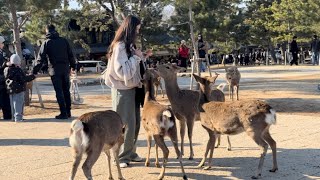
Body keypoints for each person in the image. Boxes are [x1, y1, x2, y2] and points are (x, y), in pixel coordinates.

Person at [104, 15, 152, 168]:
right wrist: (137, 58)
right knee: (123, 124)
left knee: (135, 123)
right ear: (131, 28)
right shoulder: (120, 46)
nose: (139, 30)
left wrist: (141, 57)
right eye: (137, 28)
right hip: (123, 90)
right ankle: (120, 157)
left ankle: (130, 152)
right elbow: (122, 71)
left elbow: (130, 65)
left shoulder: (128, 45)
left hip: (132, 89)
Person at [33, 24, 76, 119]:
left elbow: (40, 59)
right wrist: (73, 66)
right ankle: (68, 112)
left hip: (54, 69)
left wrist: (34, 71)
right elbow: (70, 55)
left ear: (47, 31)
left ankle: (63, 112)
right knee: (66, 91)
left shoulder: (47, 42)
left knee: (59, 92)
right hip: (65, 69)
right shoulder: (64, 41)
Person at [4, 54, 35, 122]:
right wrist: (32, 76)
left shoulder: (6, 69)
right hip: (19, 89)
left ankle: (13, 117)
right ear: (18, 62)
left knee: (12, 104)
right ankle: (18, 118)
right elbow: (23, 79)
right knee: (18, 103)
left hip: (10, 89)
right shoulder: (18, 70)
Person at [0, 36, 12, 120]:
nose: (3, 44)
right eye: (2, 43)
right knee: (3, 99)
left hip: (3, 79)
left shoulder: (2, 52)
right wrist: (5, 64)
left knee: (5, 99)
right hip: (1, 79)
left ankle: (7, 116)